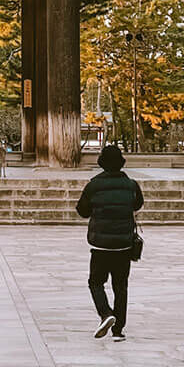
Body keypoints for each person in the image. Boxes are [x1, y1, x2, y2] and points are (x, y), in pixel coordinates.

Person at [75, 143, 143, 342]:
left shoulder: (93, 185)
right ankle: (118, 329)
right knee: (120, 286)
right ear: (121, 162)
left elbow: (82, 211)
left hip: (100, 245)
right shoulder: (131, 185)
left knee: (95, 282)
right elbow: (138, 204)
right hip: (123, 243)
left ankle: (106, 313)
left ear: (101, 163)